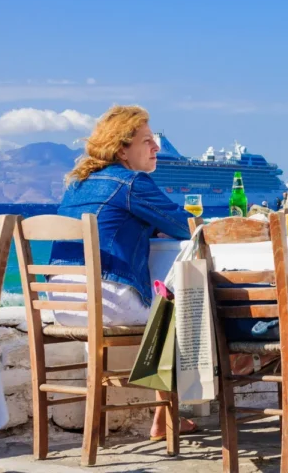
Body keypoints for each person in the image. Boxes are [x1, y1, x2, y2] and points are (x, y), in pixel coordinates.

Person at [47, 104, 197, 441]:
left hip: (63, 305)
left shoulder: (77, 185)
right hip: (106, 301)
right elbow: (186, 226)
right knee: (182, 308)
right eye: (147, 141)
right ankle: (168, 416)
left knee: (168, 304)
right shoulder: (131, 182)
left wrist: (145, 227)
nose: (156, 148)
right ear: (121, 149)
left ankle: (164, 418)